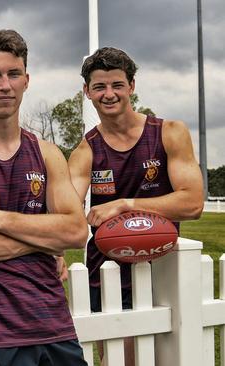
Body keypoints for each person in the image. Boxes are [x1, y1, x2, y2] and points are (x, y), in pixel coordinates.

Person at [0, 29, 88, 366]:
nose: (4, 84)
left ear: (26, 79)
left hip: (54, 326)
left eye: (13, 74)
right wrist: (42, 239)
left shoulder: (48, 153)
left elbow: (76, 232)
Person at [68, 46, 204, 365]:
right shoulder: (86, 150)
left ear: (131, 86)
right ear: (87, 91)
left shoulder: (169, 133)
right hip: (109, 268)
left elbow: (193, 202)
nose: (109, 94)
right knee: (118, 356)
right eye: (99, 86)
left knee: (171, 354)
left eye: (117, 85)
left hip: (162, 264)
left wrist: (124, 205)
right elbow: (69, 212)